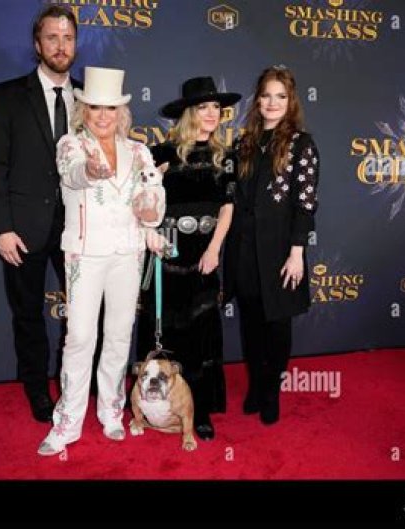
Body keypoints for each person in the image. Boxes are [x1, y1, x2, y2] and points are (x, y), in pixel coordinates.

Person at [38, 66, 166, 456]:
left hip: (128, 253)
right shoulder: (71, 145)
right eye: (95, 107)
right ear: (84, 110)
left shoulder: (139, 151)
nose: (103, 116)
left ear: (121, 112)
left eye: (111, 108)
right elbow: (72, 175)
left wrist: (151, 213)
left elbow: (150, 205)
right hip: (85, 254)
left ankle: (111, 411)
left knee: (119, 335)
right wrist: (91, 170)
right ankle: (67, 422)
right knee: (79, 337)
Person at [0, 5, 80, 423]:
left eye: (68, 38)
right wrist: (1, 227)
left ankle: (76, 384)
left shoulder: (90, 98)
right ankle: (37, 389)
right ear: (37, 45)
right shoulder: (8, 95)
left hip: (80, 227)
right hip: (23, 227)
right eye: (52, 38)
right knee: (28, 314)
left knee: (82, 313)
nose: (61, 46)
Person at [137, 77, 240, 440]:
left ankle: (201, 410)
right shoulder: (159, 154)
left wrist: (214, 249)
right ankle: (155, 406)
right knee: (165, 331)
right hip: (165, 255)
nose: (211, 114)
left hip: (204, 257)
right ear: (187, 113)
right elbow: (143, 201)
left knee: (202, 334)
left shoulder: (226, 156)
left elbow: (227, 208)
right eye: (203, 107)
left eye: (216, 108)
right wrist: (149, 232)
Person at [223, 66, 320, 425]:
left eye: (281, 96)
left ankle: (271, 390)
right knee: (251, 324)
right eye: (266, 95)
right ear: (258, 100)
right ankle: (255, 385)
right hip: (244, 250)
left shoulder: (301, 144)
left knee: (277, 326)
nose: (272, 102)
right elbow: (229, 194)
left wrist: (297, 253)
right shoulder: (244, 143)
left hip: (280, 251)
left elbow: (305, 204)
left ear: (290, 101)